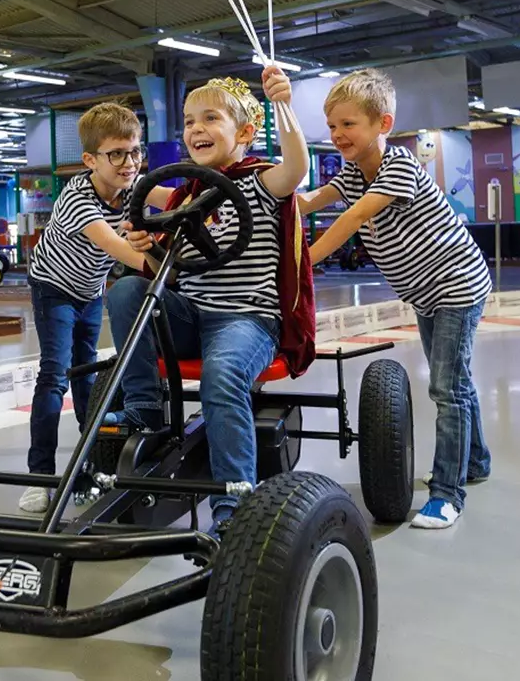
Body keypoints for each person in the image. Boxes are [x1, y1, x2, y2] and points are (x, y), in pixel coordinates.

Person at [104, 72, 313, 537]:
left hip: (247, 319)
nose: (195, 128)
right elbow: (171, 272)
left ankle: (233, 504)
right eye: (188, 120)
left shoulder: (261, 183)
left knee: (223, 374)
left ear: (244, 133)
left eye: (210, 118)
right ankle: (144, 409)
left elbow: (296, 167)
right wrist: (147, 245)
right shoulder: (186, 197)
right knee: (124, 291)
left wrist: (282, 104)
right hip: (191, 313)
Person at [297, 69, 492, 530]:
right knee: (456, 382)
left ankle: (448, 493)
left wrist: (300, 263)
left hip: (456, 285)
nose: (338, 135)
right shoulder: (351, 172)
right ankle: (476, 460)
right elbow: (308, 202)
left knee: (447, 387)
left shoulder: (399, 165)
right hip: (425, 292)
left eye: (349, 125)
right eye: (332, 126)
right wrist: (267, 195)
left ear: (382, 125)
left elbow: (350, 220)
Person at [19, 103, 172, 513]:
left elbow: (180, 196)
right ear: (90, 160)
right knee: (55, 375)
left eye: (136, 151)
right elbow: (126, 253)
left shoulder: (133, 182)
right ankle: (40, 476)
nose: (129, 163)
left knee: (86, 377)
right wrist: (170, 256)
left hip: (89, 291)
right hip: (53, 288)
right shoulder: (78, 200)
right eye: (116, 154)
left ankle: (86, 468)